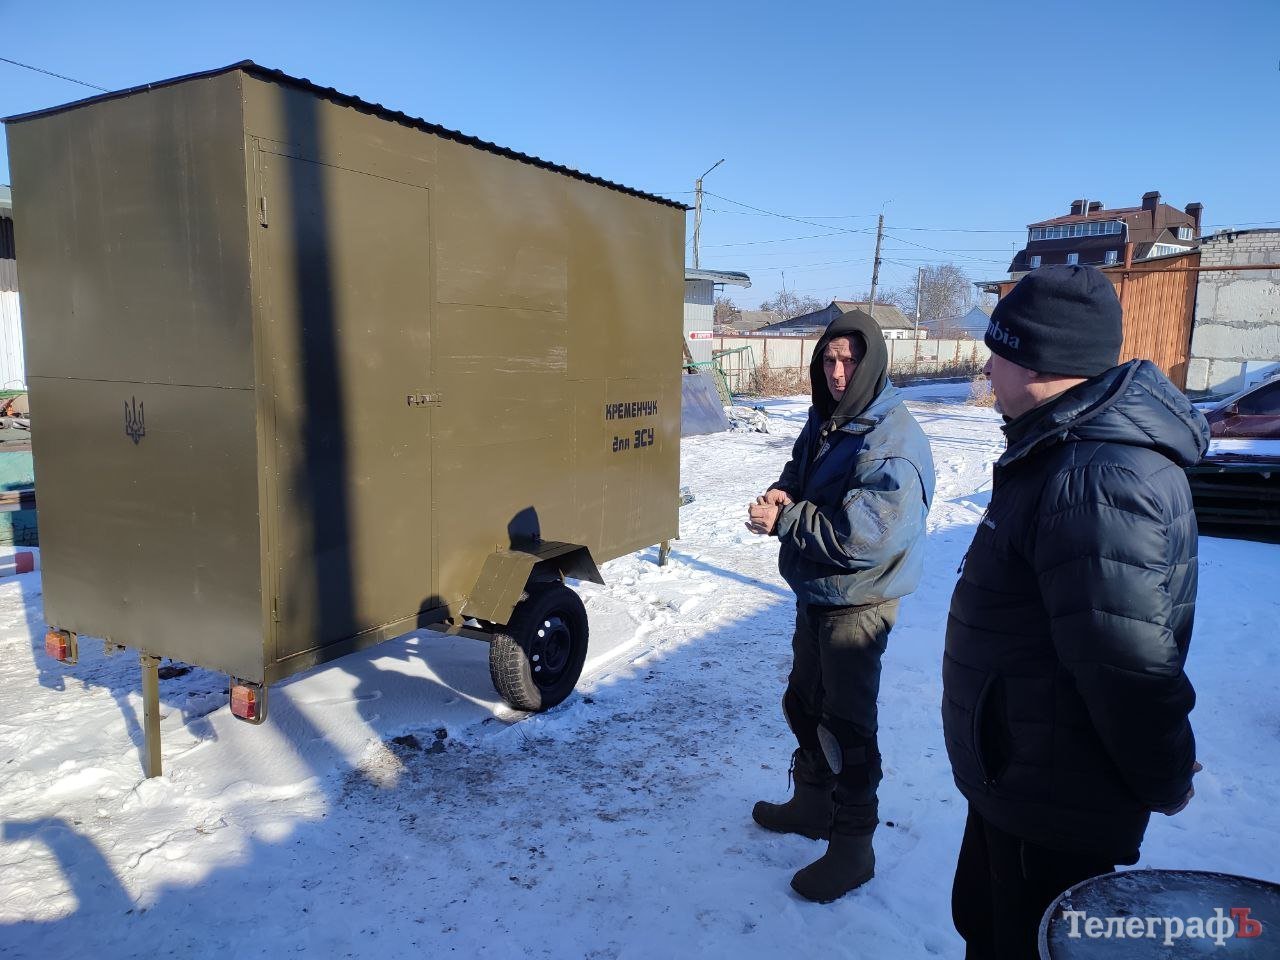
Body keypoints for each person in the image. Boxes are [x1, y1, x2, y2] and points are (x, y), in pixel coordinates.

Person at [943, 265, 1208, 959]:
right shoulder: (1061, 449)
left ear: (1039, 361)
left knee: (1026, 943)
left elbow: (1128, 665)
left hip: (1052, 796)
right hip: (1023, 771)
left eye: (997, 353)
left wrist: (1165, 772)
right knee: (985, 925)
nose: (987, 368)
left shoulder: (1095, 478)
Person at [746, 309, 935, 904]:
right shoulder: (833, 418)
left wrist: (786, 522)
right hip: (820, 590)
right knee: (804, 703)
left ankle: (854, 847)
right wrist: (785, 490)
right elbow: (803, 468)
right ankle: (813, 805)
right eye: (829, 359)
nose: (836, 372)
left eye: (849, 361)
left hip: (859, 601)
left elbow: (863, 538)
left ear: (872, 364)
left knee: (848, 728)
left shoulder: (891, 443)